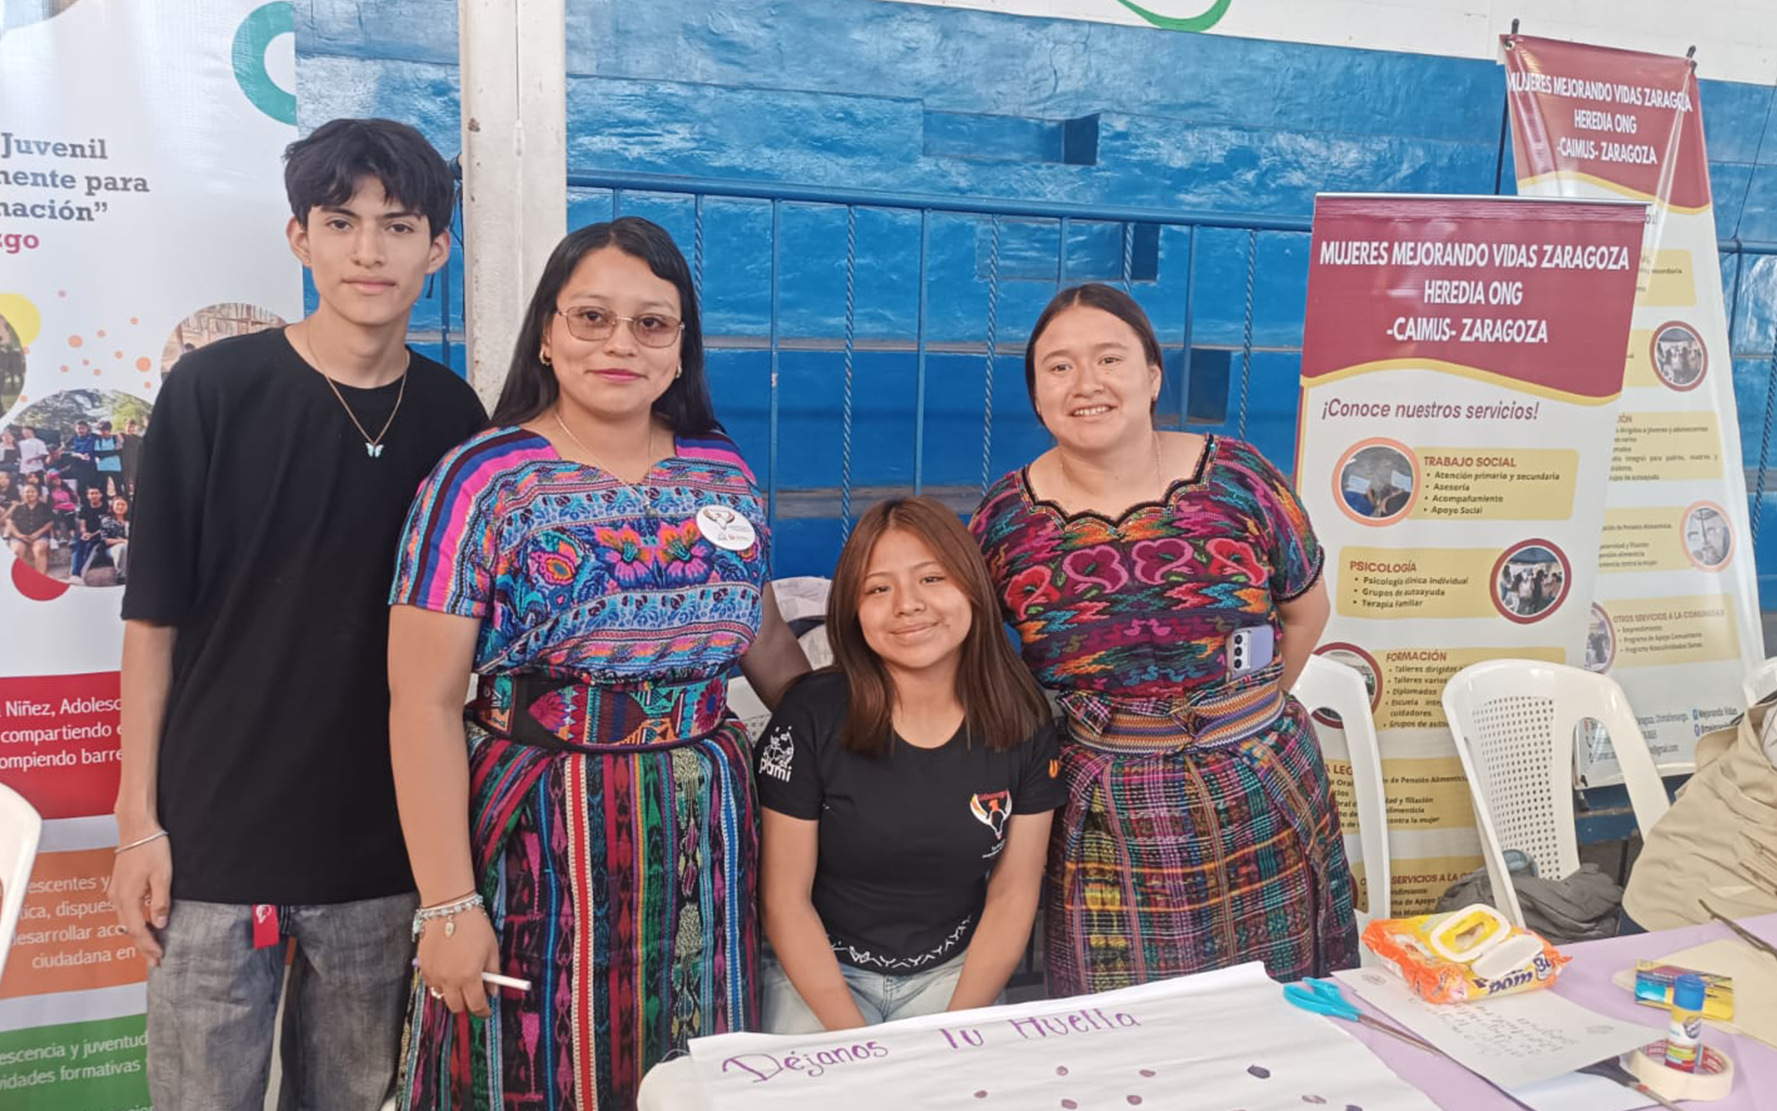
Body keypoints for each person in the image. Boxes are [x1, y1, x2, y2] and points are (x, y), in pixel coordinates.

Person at [388, 215, 809, 1111]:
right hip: (541, 832)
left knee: (694, 1068)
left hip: (708, 834)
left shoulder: (719, 469)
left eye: (651, 323)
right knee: (523, 1065)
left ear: (680, 345)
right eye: (591, 317)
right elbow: (420, 701)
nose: (621, 342)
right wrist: (447, 906)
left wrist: (890, 735)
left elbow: (766, 646)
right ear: (546, 330)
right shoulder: (479, 479)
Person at [108, 117, 486, 1111]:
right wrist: (137, 821)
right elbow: (152, 626)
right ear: (298, 238)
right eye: (341, 221)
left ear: (436, 249)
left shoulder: (458, 424)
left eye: (399, 226)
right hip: (210, 847)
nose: (370, 251)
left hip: (379, 852)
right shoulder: (211, 393)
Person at [970, 283, 1359, 994]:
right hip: (1103, 817)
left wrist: (1240, 721)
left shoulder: (1240, 478)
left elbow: (1305, 611)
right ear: (1035, 392)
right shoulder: (1003, 522)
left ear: (1151, 376)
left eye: (1109, 359)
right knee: (1125, 1034)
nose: (1085, 383)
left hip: (1260, 790)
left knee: (1285, 1014)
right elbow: (978, 664)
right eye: (1058, 366)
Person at [758, 496, 1061, 1031]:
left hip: (955, 976)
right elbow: (785, 897)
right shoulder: (810, 716)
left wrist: (952, 1033)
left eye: (931, 579)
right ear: (852, 610)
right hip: (820, 976)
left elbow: (1014, 893)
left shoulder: (1024, 720)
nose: (907, 605)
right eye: (878, 588)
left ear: (972, 587)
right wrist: (858, 1044)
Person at [3, 479, 53, 574]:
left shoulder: (45, 507)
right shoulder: (17, 508)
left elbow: (50, 522)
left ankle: (40, 577)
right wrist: (19, 535)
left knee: (39, 550)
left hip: (39, 535)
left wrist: (38, 533)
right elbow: (10, 522)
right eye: (27, 492)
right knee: (16, 551)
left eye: (33, 492)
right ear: (22, 494)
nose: (30, 494)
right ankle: (19, 577)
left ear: (38, 493)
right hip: (20, 535)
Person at [72, 483, 107, 579]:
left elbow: (106, 527)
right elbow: (82, 525)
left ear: (101, 495)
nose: (94, 496)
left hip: (102, 535)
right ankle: (75, 574)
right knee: (78, 546)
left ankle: (80, 575)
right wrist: (84, 533)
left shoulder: (106, 507)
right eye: (91, 493)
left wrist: (92, 535)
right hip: (89, 534)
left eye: (96, 493)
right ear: (88, 496)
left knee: (90, 548)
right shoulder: (84, 508)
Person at [93, 419, 124, 496]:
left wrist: (106, 453)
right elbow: (98, 454)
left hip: (115, 467)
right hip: (102, 468)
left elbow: (120, 451)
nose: (102, 432)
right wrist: (113, 452)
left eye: (104, 430)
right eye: (101, 430)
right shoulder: (98, 440)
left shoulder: (115, 439)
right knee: (102, 488)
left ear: (109, 430)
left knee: (118, 487)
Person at [118, 418, 144, 495]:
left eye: (132, 427)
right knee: (125, 483)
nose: (130, 428)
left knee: (136, 482)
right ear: (125, 426)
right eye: (128, 426)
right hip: (124, 462)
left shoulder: (138, 438)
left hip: (135, 462)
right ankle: (126, 500)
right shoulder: (121, 435)